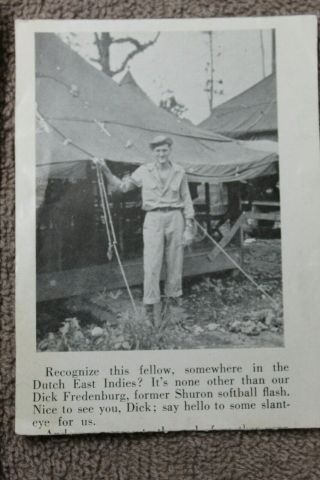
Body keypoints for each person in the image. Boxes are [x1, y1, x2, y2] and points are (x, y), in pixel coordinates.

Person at [95, 135, 195, 321]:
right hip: (153, 217)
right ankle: (150, 307)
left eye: (164, 150)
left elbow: (186, 198)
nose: (161, 154)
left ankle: (172, 306)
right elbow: (123, 187)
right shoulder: (143, 171)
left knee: (175, 261)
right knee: (151, 262)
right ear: (152, 152)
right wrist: (106, 170)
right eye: (157, 151)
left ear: (170, 150)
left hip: (175, 216)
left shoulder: (179, 171)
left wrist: (189, 226)